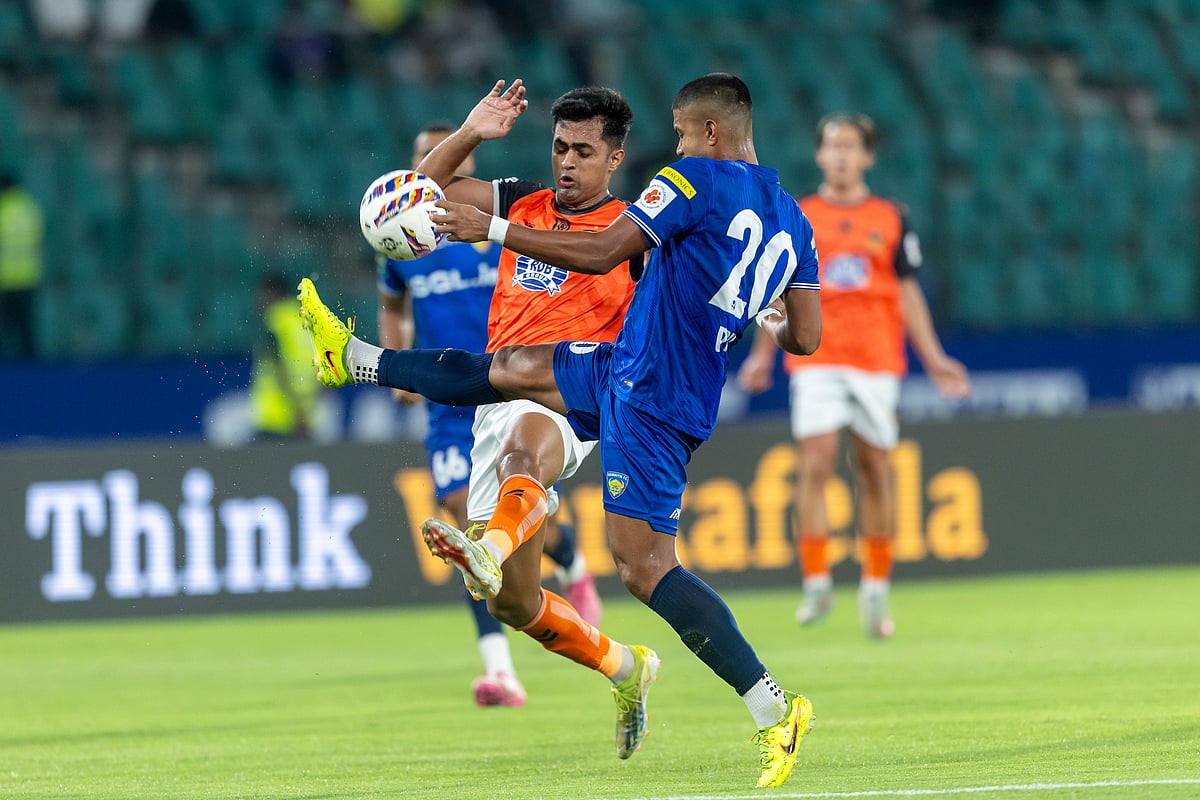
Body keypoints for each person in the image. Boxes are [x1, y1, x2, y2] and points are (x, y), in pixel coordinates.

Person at [298, 73, 821, 788]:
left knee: (634, 557)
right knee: (511, 379)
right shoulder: (795, 219)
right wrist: (739, 305)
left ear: (704, 133)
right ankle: (356, 362)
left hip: (644, 394)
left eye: (677, 132)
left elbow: (608, 252)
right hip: (629, 371)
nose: (567, 161)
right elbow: (806, 336)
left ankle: (774, 707)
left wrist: (497, 231)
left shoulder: (679, 188)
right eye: (559, 148)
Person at [378, 123, 604, 706]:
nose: (430, 170)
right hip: (452, 399)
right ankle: (514, 654)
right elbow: (391, 307)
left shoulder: (509, 225)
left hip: (518, 381)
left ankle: (549, 582)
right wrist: (399, 353)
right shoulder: (406, 250)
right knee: (481, 543)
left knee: (501, 490)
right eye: (421, 157)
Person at [737, 112, 971, 638]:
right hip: (816, 357)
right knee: (815, 463)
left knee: (874, 470)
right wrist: (762, 354)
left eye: (851, 146)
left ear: (867, 156)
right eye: (832, 145)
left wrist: (934, 359)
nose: (841, 155)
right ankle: (817, 582)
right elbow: (776, 286)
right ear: (819, 154)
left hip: (876, 360)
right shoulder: (798, 214)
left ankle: (875, 591)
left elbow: (908, 292)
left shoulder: (891, 217)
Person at [249, 272, 321, 439]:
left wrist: (295, 407)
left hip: (273, 415)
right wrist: (304, 410)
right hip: (306, 416)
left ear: (274, 292)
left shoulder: (276, 317)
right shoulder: (308, 319)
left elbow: (275, 363)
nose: (260, 300)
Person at [0, 170, 45, 359]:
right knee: (26, 323)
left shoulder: (2, 210)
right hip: (28, 275)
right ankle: (31, 364)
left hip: (5, 277)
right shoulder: (31, 209)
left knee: (4, 325)